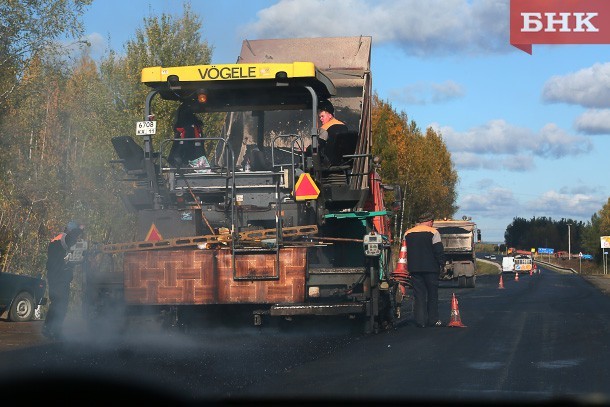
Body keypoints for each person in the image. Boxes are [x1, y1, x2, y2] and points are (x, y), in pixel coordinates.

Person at [42, 220, 84, 339]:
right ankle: (53, 330)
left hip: (56, 276)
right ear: (70, 230)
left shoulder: (58, 242)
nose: (76, 239)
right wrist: (80, 228)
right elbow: (70, 239)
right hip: (59, 277)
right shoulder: (63, 238)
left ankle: (50, 329)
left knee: (56, 303)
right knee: (61, 304)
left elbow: (66, 258)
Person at [403, 212, 445, 328]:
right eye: (432, 222)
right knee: (432, 294)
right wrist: (442, 263)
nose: (432, 224)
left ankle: (420, 321)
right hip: (431, 268)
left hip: (414, 269)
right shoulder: (433, 232)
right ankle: (433, 320)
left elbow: (404, 252)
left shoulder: (407, 233)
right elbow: (438, 250)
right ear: (429, 221)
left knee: (419, 295)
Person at [317, 100, 349, 166]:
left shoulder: (325, 128)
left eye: (322, 116)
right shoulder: (344, 126)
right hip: (344, 161)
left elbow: (318, 145)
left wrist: (308, 149)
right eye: (319, 117)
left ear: (330, 115)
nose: (320, 119)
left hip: (329, 163)